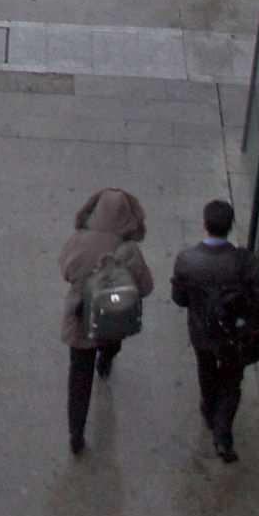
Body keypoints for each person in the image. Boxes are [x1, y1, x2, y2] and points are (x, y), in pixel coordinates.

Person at [170, 198, 259, 464]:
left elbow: (180, 298)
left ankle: (208, 406)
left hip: (202, 331)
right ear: (230, 226)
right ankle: (222, 435)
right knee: (231, 381)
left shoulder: (186, 260)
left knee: (205, 366)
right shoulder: (245, 262)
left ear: (204, 224)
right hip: (233, 336)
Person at [59, 187, 153, 454]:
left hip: (80, 319)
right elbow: (145, 287)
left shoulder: (78, 241)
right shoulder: (129, 250)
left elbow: (65, 270)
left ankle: (76, 433)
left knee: (79, 375)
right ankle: (107, 361)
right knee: (110, 342)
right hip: (112, 320)